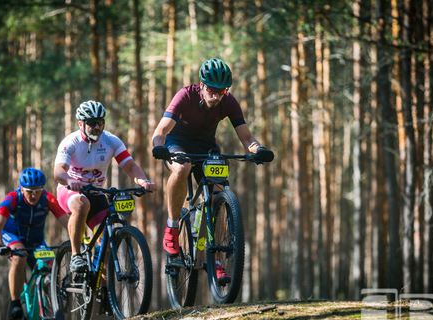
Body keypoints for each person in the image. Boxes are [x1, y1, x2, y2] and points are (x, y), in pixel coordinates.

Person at [151, 58, 274, 283]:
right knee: (182, 168)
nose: (216, 96)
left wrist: (259, 149)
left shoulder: (228, 102)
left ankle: (214, 258)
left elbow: (247, 137)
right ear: (201, 85)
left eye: (221, 91)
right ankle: (172, 227)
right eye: (211, 90)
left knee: (218, 192)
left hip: (207, 147)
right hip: (177, 144)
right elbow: (160, 131)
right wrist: (159, 147)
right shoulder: (185, 96)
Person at [53, 99, 156, 275]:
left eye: (101, 122)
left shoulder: (110, 141)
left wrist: (143, 181)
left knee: (108, 240)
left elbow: (130, 166)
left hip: (96, 192)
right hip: (70, 191)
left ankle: (105, 293)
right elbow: (58, 172)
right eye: (92, 123)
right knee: (81, 204)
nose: (97, 127)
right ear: (81, 124)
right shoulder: (70, 142)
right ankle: (76, 255)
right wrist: (70, 181)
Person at [0, 167, 69, 320]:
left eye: (38, 191)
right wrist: (0, 245)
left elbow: (68, 222)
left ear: (43, 189)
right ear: (22, 188)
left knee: (51, 265)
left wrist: (78, 240)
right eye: (29, 191)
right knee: (20, 257)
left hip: (36, 241)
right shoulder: (12, 198)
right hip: (12, 236)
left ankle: (48, 308)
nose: (33, 195)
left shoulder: (48, 199)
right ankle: (15, 303)